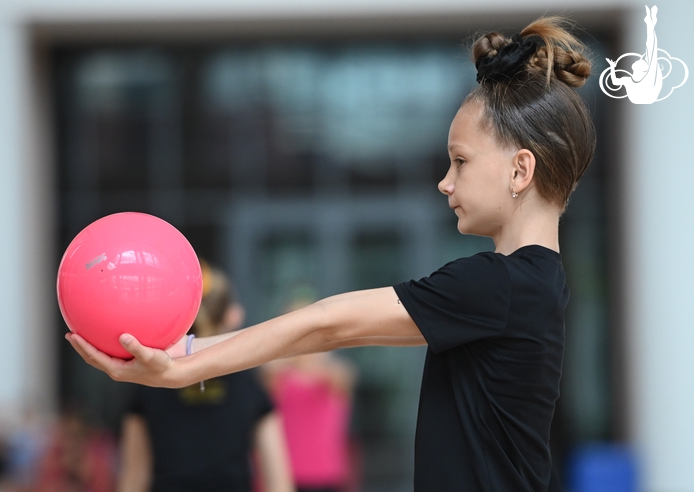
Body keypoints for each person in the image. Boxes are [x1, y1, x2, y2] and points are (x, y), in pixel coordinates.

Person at [68, 15, 596, 492]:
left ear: (519, 171)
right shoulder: (533, 286)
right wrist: (185, 353)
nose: (444, 182)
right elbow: (355, 329)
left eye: (459, 162)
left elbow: (328, 325)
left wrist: (184, 368)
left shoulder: (501, 285)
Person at [116, 261, 294, 492]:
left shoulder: (147, 383)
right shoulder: (251, 387)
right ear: (231, 316)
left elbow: (134, 477)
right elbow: (279, 482)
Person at [262, 290, 357, 492]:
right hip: (285, 477)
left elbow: (341, 378)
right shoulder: (277, 374)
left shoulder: (334, 373)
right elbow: (268, 374)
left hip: (327, 477)